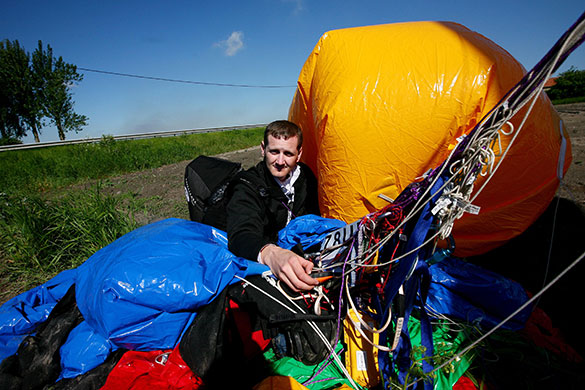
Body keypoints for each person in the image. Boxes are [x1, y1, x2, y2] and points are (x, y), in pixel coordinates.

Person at [226, 120, 320, 292]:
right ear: (263, 149)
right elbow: (241, 233)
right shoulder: (246, 185)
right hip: (268, 261)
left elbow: (314, 217)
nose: (280, 161)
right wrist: (270, 253)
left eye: (288, 154)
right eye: (274, 152)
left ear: (299, 154)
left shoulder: (306, 176)